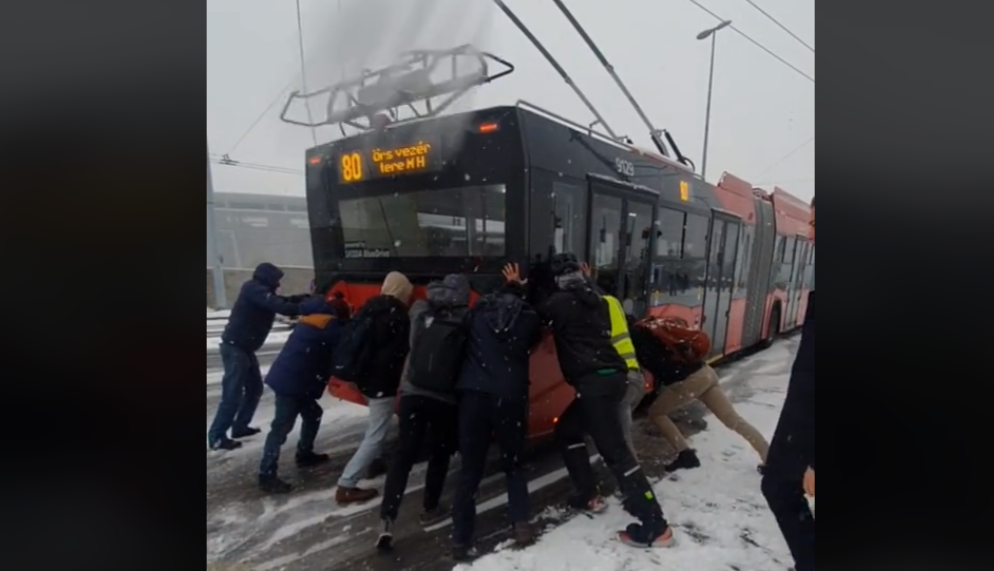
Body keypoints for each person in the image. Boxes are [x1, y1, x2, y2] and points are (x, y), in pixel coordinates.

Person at [540, 253, 673, 548]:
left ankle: (656, 525)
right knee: (568, 431)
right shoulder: (597, 300)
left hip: (595, 385)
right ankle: (588, 493)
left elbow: (537, 320)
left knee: (617, 454)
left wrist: (516, 288)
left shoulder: (560, 304)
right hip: (613, 379)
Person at [450, 263, 542, 560]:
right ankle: (520, 523)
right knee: (513, 462)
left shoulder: (476, 313)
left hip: (474, 396)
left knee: (470, 469)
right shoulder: (528, 317)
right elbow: (535, 341)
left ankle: (461, 538)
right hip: (510, 396)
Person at [376, 274, 470, 550]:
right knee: (439, 453)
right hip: (444, 397)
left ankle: (387, 519)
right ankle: (430, 507)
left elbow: (412, 345)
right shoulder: (466, 318)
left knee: (404, 454)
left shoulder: (419, 311)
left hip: (412, 393)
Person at [630, 318, 769, 472]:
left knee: (656, 413)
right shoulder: (651, 327)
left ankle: (686, 454)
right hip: (705, 372)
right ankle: (769, 457)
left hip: (688, 380)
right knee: (732, 419)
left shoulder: (636, 336)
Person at [761, 196, 815, 571]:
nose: (810, 233)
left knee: (779, 487)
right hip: (805, 411)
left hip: (809, 415)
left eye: (817, 223)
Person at [257, 295, 351, 493]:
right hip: (293, 384)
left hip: (292, 379)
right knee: (281, 428)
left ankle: (305, 454)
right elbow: (344, 346)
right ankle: (266, 474)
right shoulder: (330, 328)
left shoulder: (311, 320)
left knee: (313, 414)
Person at [208, 263, 305, 451]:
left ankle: (240, 427)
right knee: (232, 394)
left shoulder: (261, 292)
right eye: (276, 280)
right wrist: (303, 307)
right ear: (267, 278)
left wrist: (300, 299)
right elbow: (277, 305)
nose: (278, 284)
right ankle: (217, 436)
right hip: (235, 348)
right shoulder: (253, 289)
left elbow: (279, 300)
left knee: (254, 389)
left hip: (245, 349)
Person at [335, 271, 413, 504]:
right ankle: (346, 485)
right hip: (382, 382)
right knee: (376, 435)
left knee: (375, 425)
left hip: (365, 379)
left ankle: (374, 463)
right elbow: (400, 353)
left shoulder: (369, 308)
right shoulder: (398, 316)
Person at [578, 262, 646, 455]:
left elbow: (595, 299)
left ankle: (635, 482)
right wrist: (589, 281)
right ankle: (625, 475)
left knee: (621, 440)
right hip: (632, 378)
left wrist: (587, 281)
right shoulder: (615, 305)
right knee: (616, 434)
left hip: (622, 380)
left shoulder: (602, 305)